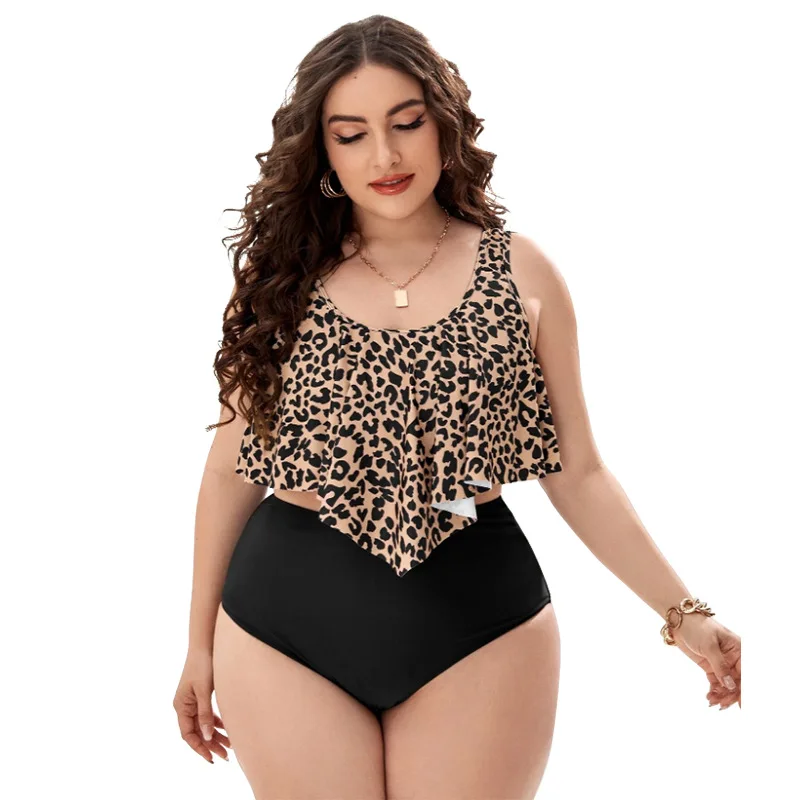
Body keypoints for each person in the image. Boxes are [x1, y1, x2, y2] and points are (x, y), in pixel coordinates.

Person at [173, 14, 742, 799]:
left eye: (406, 123)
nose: (385, 156)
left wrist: (685, 614)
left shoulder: (524, 273)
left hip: (480, 627)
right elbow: (231, 468)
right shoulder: (281, 281)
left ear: (444, 124)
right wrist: (197, 644)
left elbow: (578, 473)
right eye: (351, 134)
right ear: (323, 152)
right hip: (282, 629)